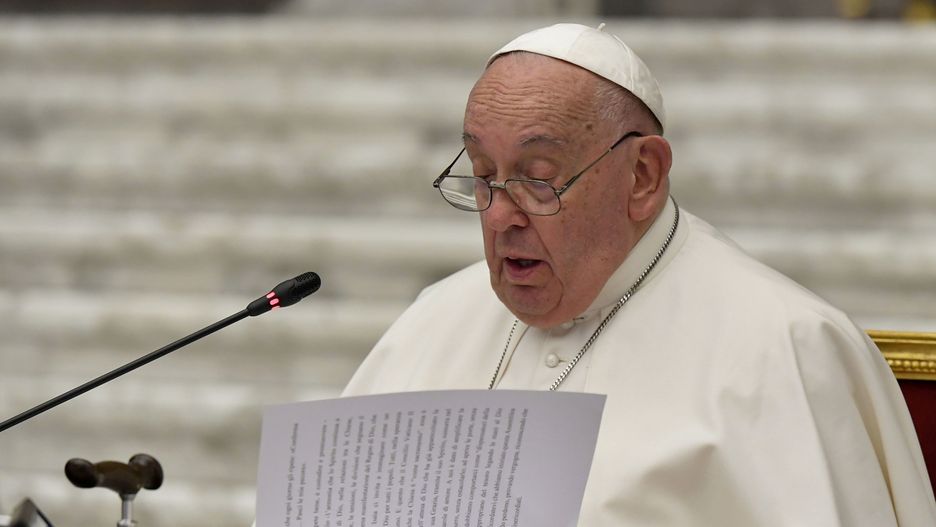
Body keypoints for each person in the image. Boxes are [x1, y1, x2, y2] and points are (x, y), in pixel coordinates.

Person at [342, 23, 936, 525]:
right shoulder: (432, 319)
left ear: (643, 175)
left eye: (538, 179)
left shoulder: (786, 348)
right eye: (482, 174)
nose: (499, 216)